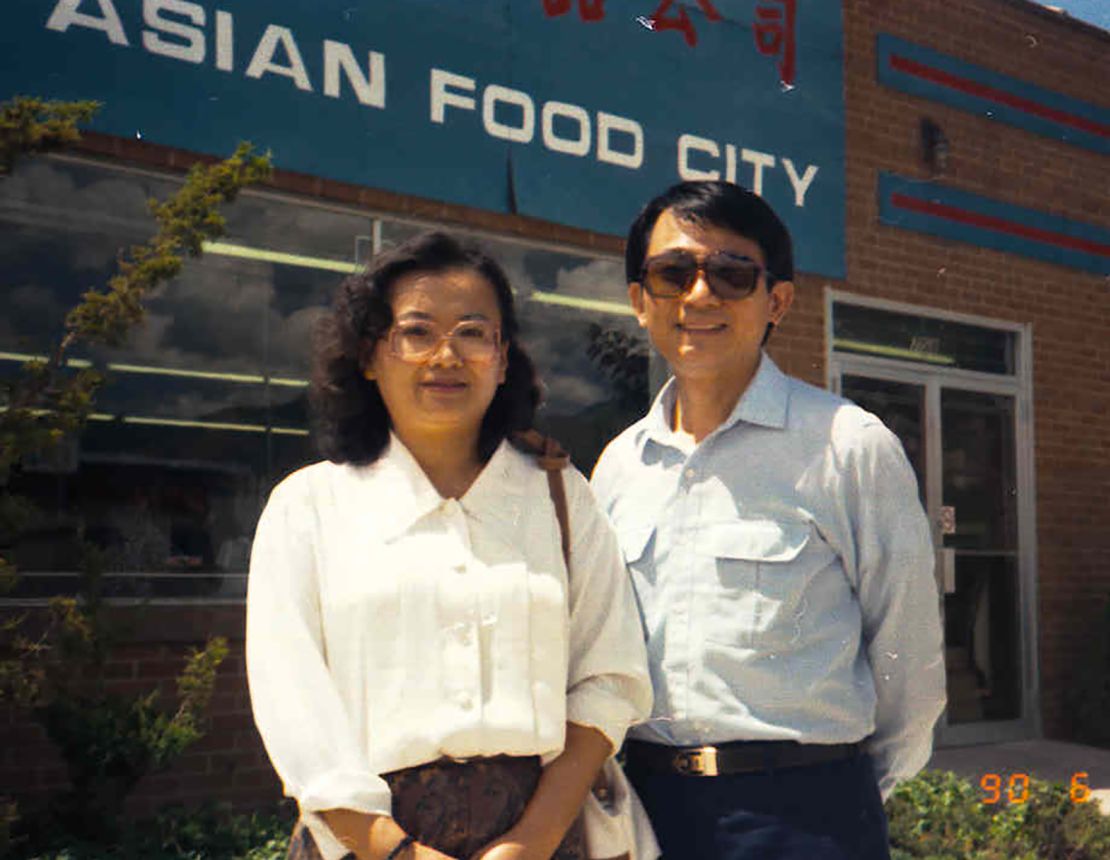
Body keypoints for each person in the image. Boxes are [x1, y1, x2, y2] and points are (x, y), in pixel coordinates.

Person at [247, 231, 652, 860]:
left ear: (502, 356)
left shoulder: (561, 496)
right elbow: (294, 704)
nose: (446, 355)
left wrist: (532, 839)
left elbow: (611, 678)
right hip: (366, 845)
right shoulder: (308, 509)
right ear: (369, 356)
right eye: (415, 332)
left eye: (472, 332)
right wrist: (396, 851)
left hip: (544, 840)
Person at [590, 181, 946, 860]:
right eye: (673, 274)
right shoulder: (618, 467)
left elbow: (909, 657)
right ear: (641, 301)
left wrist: (843, 792)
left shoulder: (847, 445)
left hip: (805, 817)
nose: (699, 297)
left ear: (776, 300)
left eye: (731, 274)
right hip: (647, 813)